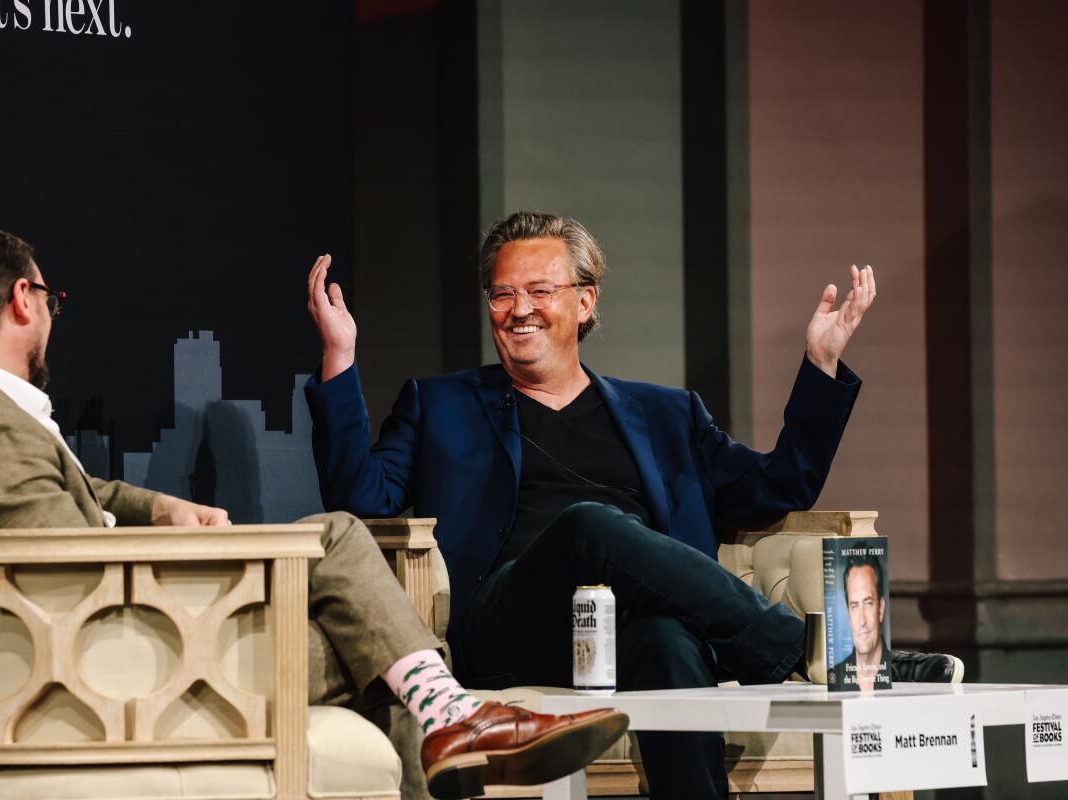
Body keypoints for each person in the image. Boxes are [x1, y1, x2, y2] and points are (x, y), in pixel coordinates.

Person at [0, 226, 629, 800]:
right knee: (374, 629)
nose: (51, 313)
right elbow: (60, 572)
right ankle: (454, 715)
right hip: (96, 665)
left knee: (360, 589)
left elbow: (75, 499)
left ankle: (448, 716)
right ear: (23, 299)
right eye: (50, 299)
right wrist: (195, 573)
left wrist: (165, 509)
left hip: (93, 646)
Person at [305, 211, 965, 799]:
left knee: (669, 644)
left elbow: (776, 490)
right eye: (502, 294)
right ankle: (812, 651)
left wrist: (821, 364)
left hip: (629, 629)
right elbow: (361, 501)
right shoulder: (439, 403)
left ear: (585, 301)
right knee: (590, 526)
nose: (518, 308)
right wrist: (340, 357)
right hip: (511, 628)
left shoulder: (666, 413)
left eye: (539, 290)